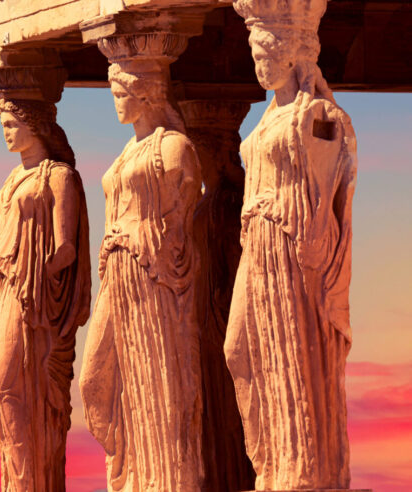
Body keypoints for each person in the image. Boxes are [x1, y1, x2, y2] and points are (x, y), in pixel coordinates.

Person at [225, 0, 357, 487]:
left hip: (294, 246)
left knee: (295, 355)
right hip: (258, 243)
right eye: (255, 55)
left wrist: (315, 244)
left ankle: (302, 469)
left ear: (290, 53)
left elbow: (328, 190)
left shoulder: (317, 114)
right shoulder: (265, 120)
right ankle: (272, 462)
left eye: (266, 54)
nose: (259, 64)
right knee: (239, 348)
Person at [79, 62, 203, 492]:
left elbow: (184, 219)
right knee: (94, 380)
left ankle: (164, 479)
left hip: (154, 277)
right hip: (116, 274)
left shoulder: (174, 148)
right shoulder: (125, 154)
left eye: (121, 93)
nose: (115, 102)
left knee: (159, 380)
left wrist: (157, 243)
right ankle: (130, 467)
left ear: (146, 93)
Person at [0, 98, 90, 492]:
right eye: (3, 125)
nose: (6, 132)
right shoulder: (12, 178)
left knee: (5, 386)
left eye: (13, 124)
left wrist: (33, 276)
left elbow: (66, 248)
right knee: (4, 391)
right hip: (1, 288)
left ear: (36, 124)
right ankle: (16, 483)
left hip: (30, 291)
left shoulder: (59, 176)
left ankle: (30, 482)